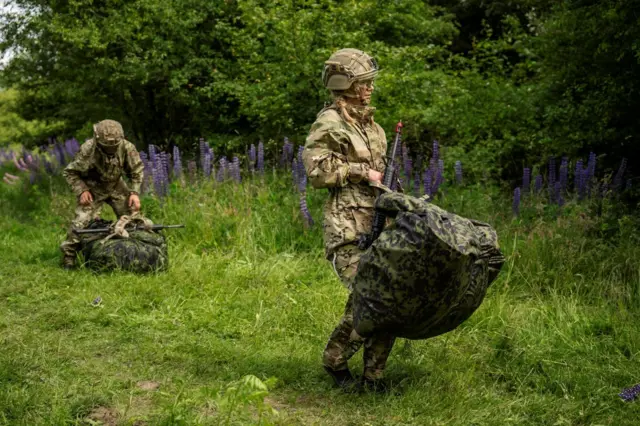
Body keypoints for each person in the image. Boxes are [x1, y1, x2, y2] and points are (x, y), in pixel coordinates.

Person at [302, 48, 395, 392]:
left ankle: (374, 379)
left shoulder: (375, 128)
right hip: (347, 228)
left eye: (370, 82)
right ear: (346, 84)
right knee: (373, 298)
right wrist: (360, 171)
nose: (369, 88)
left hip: (379, 224)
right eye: (363, 83)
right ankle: (335, 360)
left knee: (388, 298)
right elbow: (315, 171)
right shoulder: (330, 122)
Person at [60, 119, 144, 269]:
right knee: (81, 221)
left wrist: (134, 193)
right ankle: (69, 257)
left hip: (116, 185)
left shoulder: (127, 147)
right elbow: (70, 172)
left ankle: (135, 253)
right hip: (93, 188)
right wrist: (82, 190)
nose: (110, 150)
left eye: (114, 146)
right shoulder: (88, 149)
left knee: (133, 218)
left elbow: (136, 171)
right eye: (106, 146)